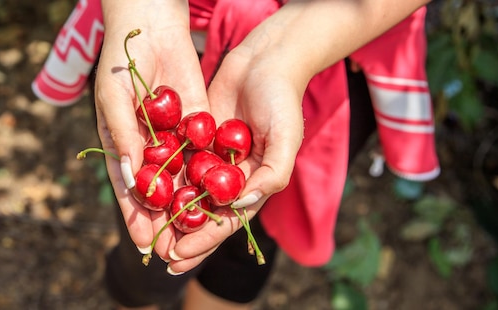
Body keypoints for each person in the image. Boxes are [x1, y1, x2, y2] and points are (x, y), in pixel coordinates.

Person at [32, 0, 440, 309]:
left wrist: (289, 50)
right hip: (163, 35)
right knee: (152, 257)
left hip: (334, 46)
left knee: (252, 234)